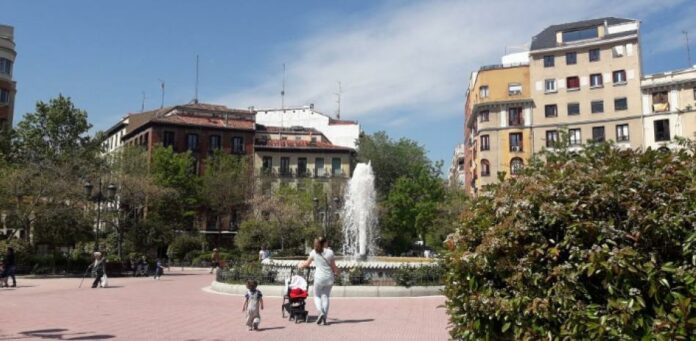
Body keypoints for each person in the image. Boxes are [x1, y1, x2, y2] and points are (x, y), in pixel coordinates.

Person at [299, 237, 339, 326]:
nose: (328, 243)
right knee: (325, 296)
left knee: (317, 296)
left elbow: (306, 264)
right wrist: (337, 272)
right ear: (324, 242)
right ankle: (324, 316)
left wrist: (300, 265)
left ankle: (320, 312)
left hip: (319, 278)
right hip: (329, 278)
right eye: (327, 242)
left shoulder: (314, 252)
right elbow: (334, 266)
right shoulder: (330, 252)